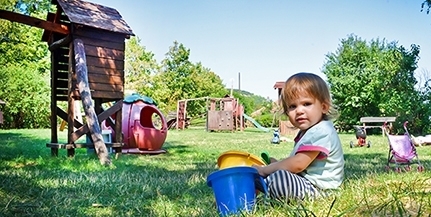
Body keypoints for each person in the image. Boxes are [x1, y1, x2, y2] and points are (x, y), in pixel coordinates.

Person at [253, 72, 345, 201]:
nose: (299, 111)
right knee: (271, 174)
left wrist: (266, 170)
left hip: (320, 191)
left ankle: (261, 183)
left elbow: (298, 164)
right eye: (292, 106)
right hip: (306, 184)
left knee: (279, 178)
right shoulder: (309, 131)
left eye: (306, 104)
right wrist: (278, 164)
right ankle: (252, 190)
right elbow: (297, 163)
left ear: (323, 107)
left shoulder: (322, 130)